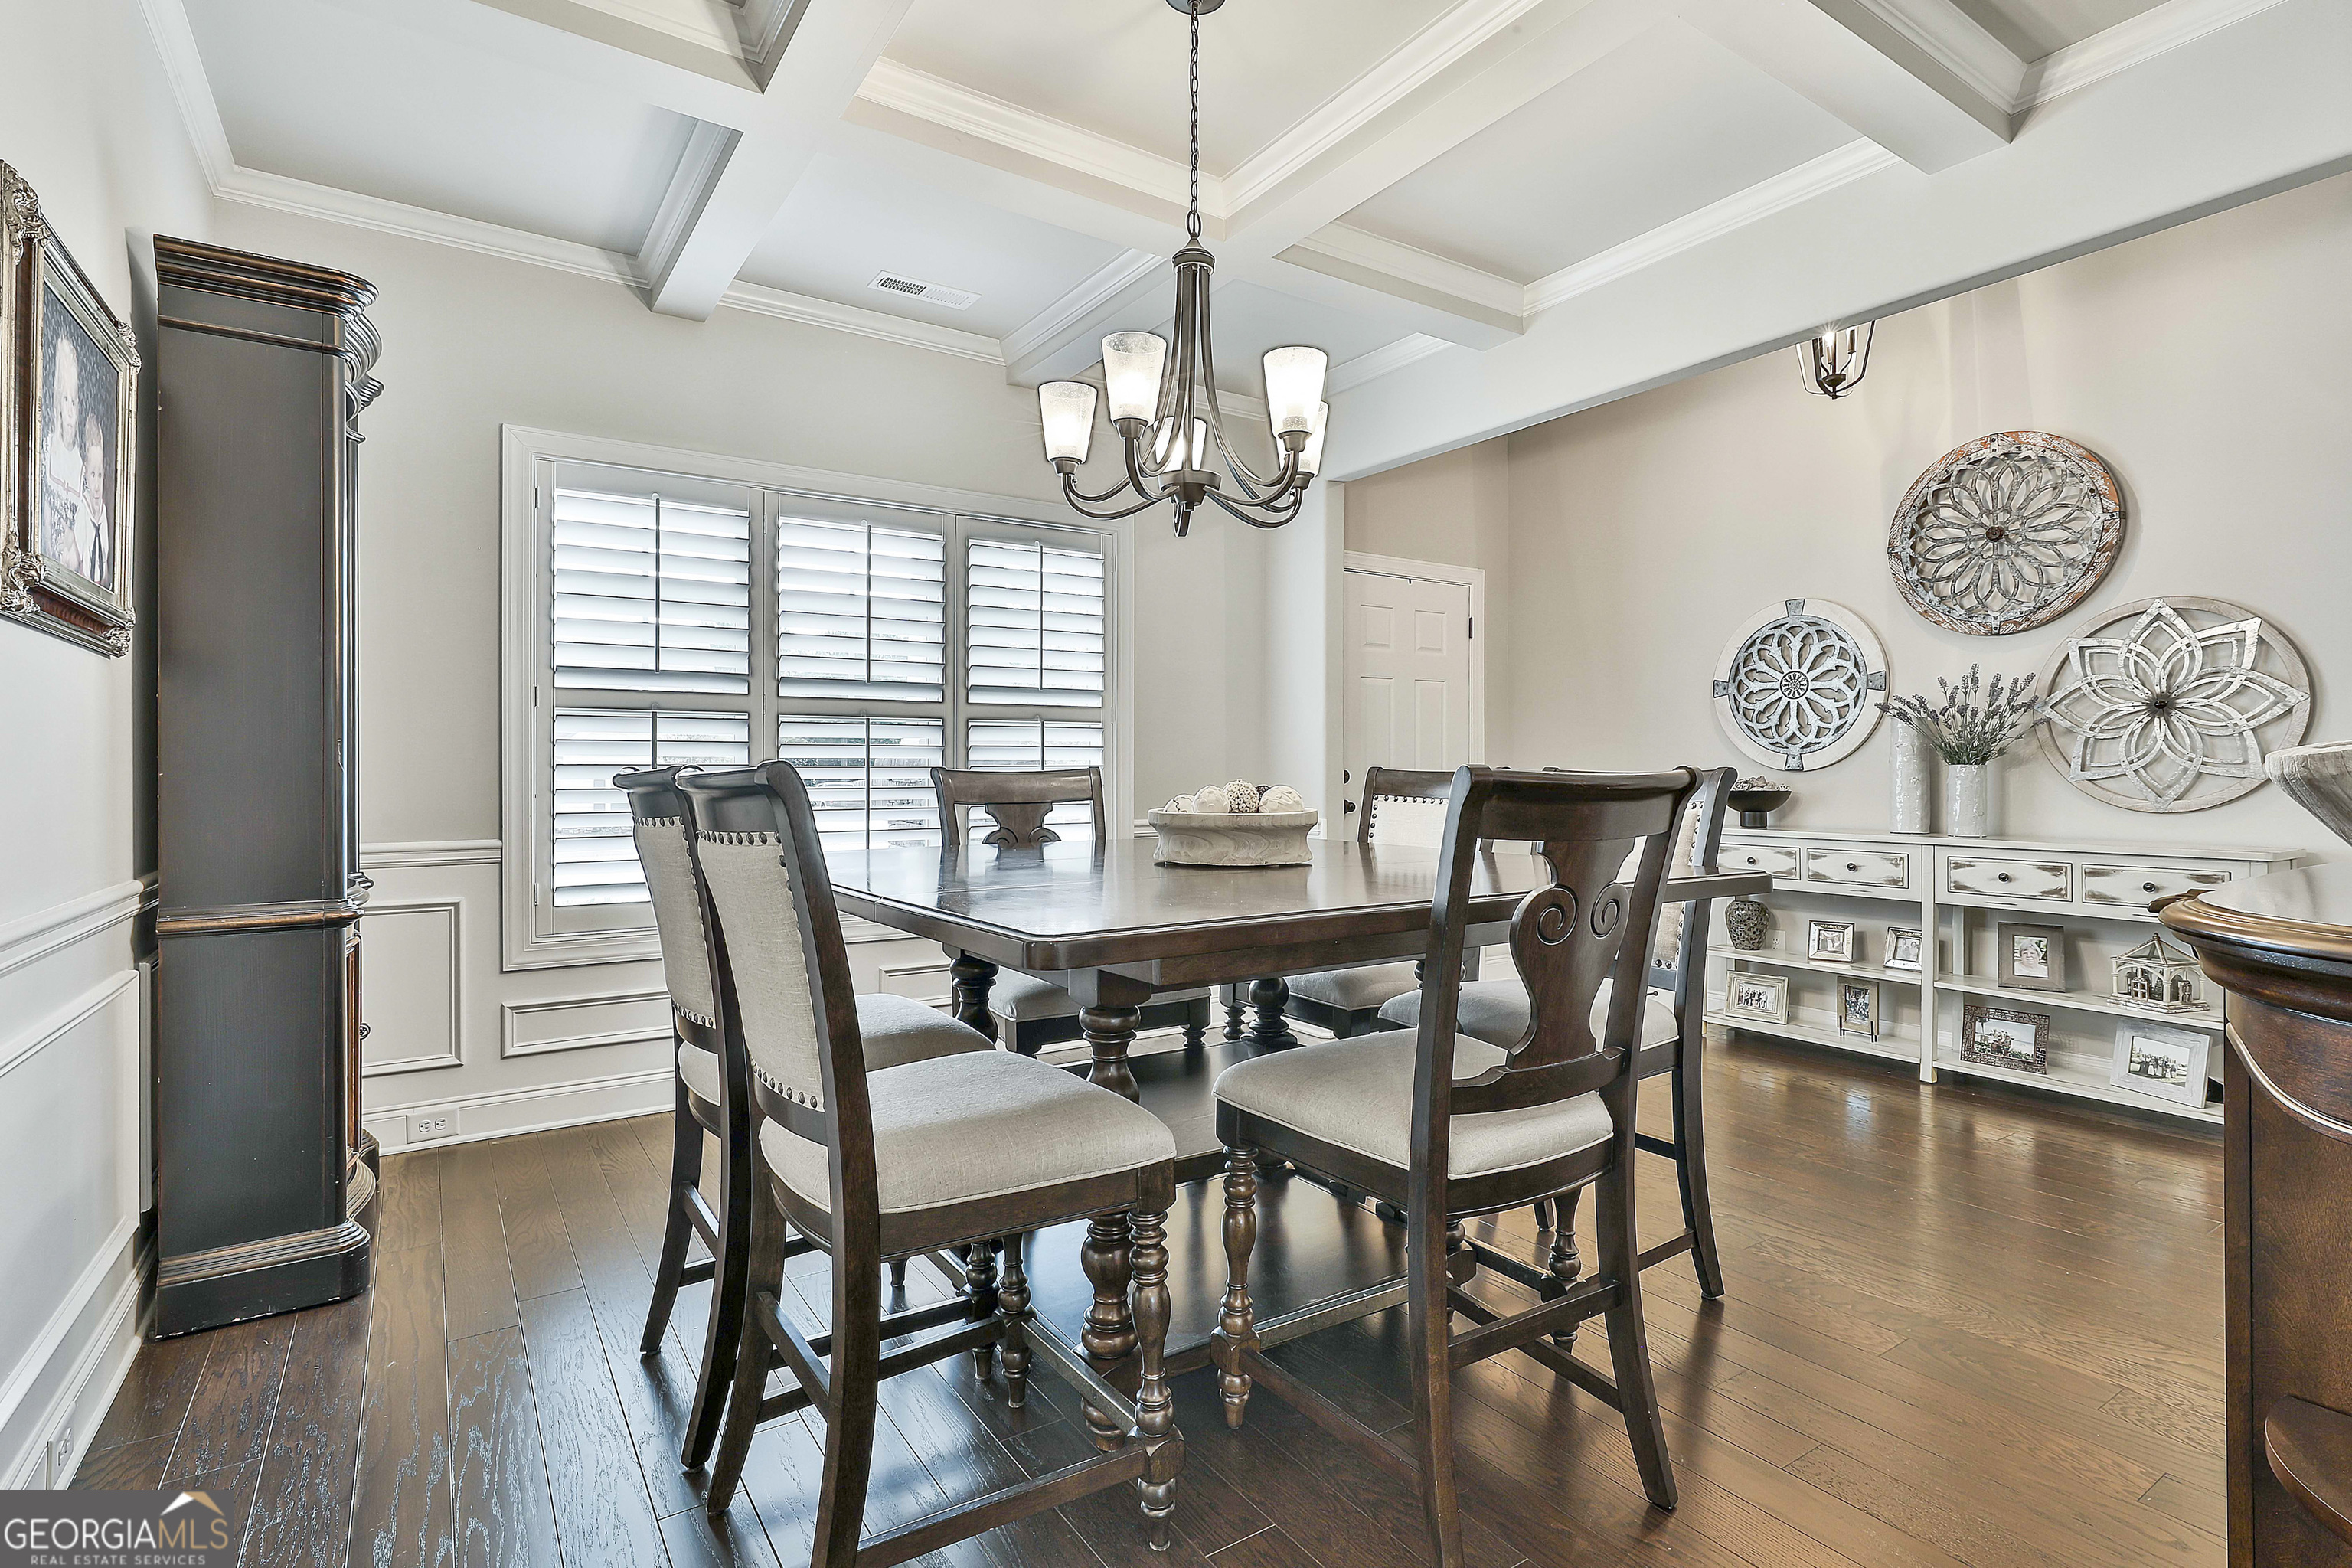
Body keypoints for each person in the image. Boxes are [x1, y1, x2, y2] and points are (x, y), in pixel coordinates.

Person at [37, 331, 86, 574]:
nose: (69, 411)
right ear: (56, 402)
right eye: (65, 399)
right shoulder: (47, 448)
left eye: (74, 402)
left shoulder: (79, 464)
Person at [70, 412, 110, 588]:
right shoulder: (83, 509)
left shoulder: (103, 512)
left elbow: (105, 555)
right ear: (86, 474)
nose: (97, 485)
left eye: (100, 475)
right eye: (93, 475)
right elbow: (75, 556)